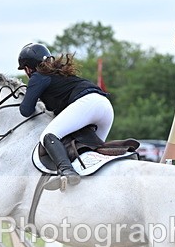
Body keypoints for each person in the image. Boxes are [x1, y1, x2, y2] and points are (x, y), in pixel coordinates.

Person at [17, 42, 113, 186]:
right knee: (91, 154)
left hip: (87, 104)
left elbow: (25, 110)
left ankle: (67, 171)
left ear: (27, 68)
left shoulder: (38, 76)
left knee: (48, 135)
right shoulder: (58, 73)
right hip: (105, 107)